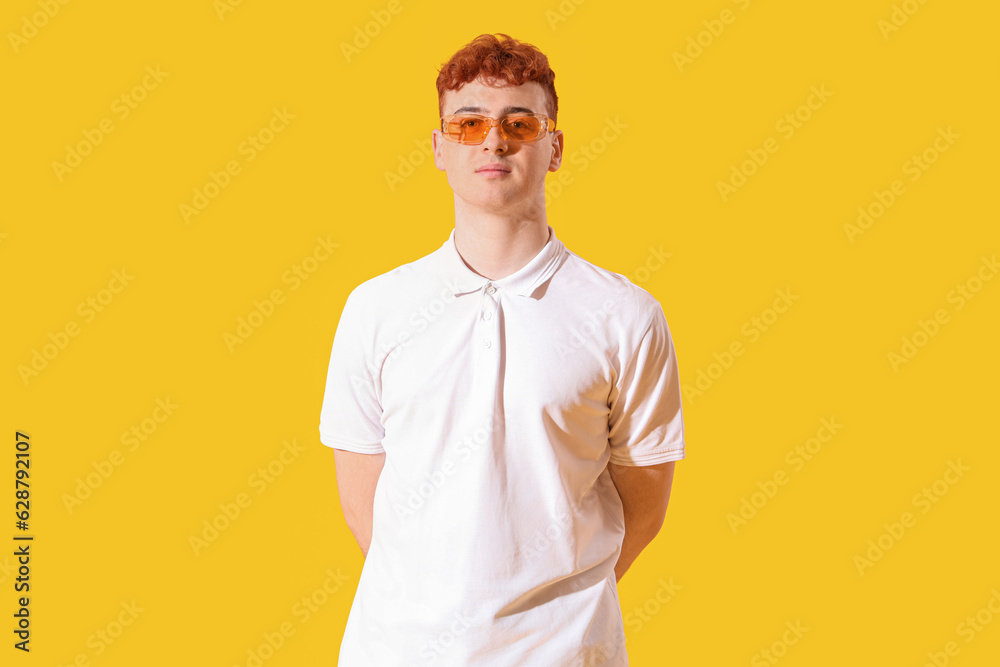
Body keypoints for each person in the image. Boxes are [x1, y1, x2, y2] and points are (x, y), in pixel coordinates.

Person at [319, 32, 685, 667]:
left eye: (520, 121)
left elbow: (645, 503)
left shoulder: (625, 315)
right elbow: (365, 503)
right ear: (438, 148)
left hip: (567, 654)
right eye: (468, 124)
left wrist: (560, 605)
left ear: (555, 146)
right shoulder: (376, 309)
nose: (494, 140)